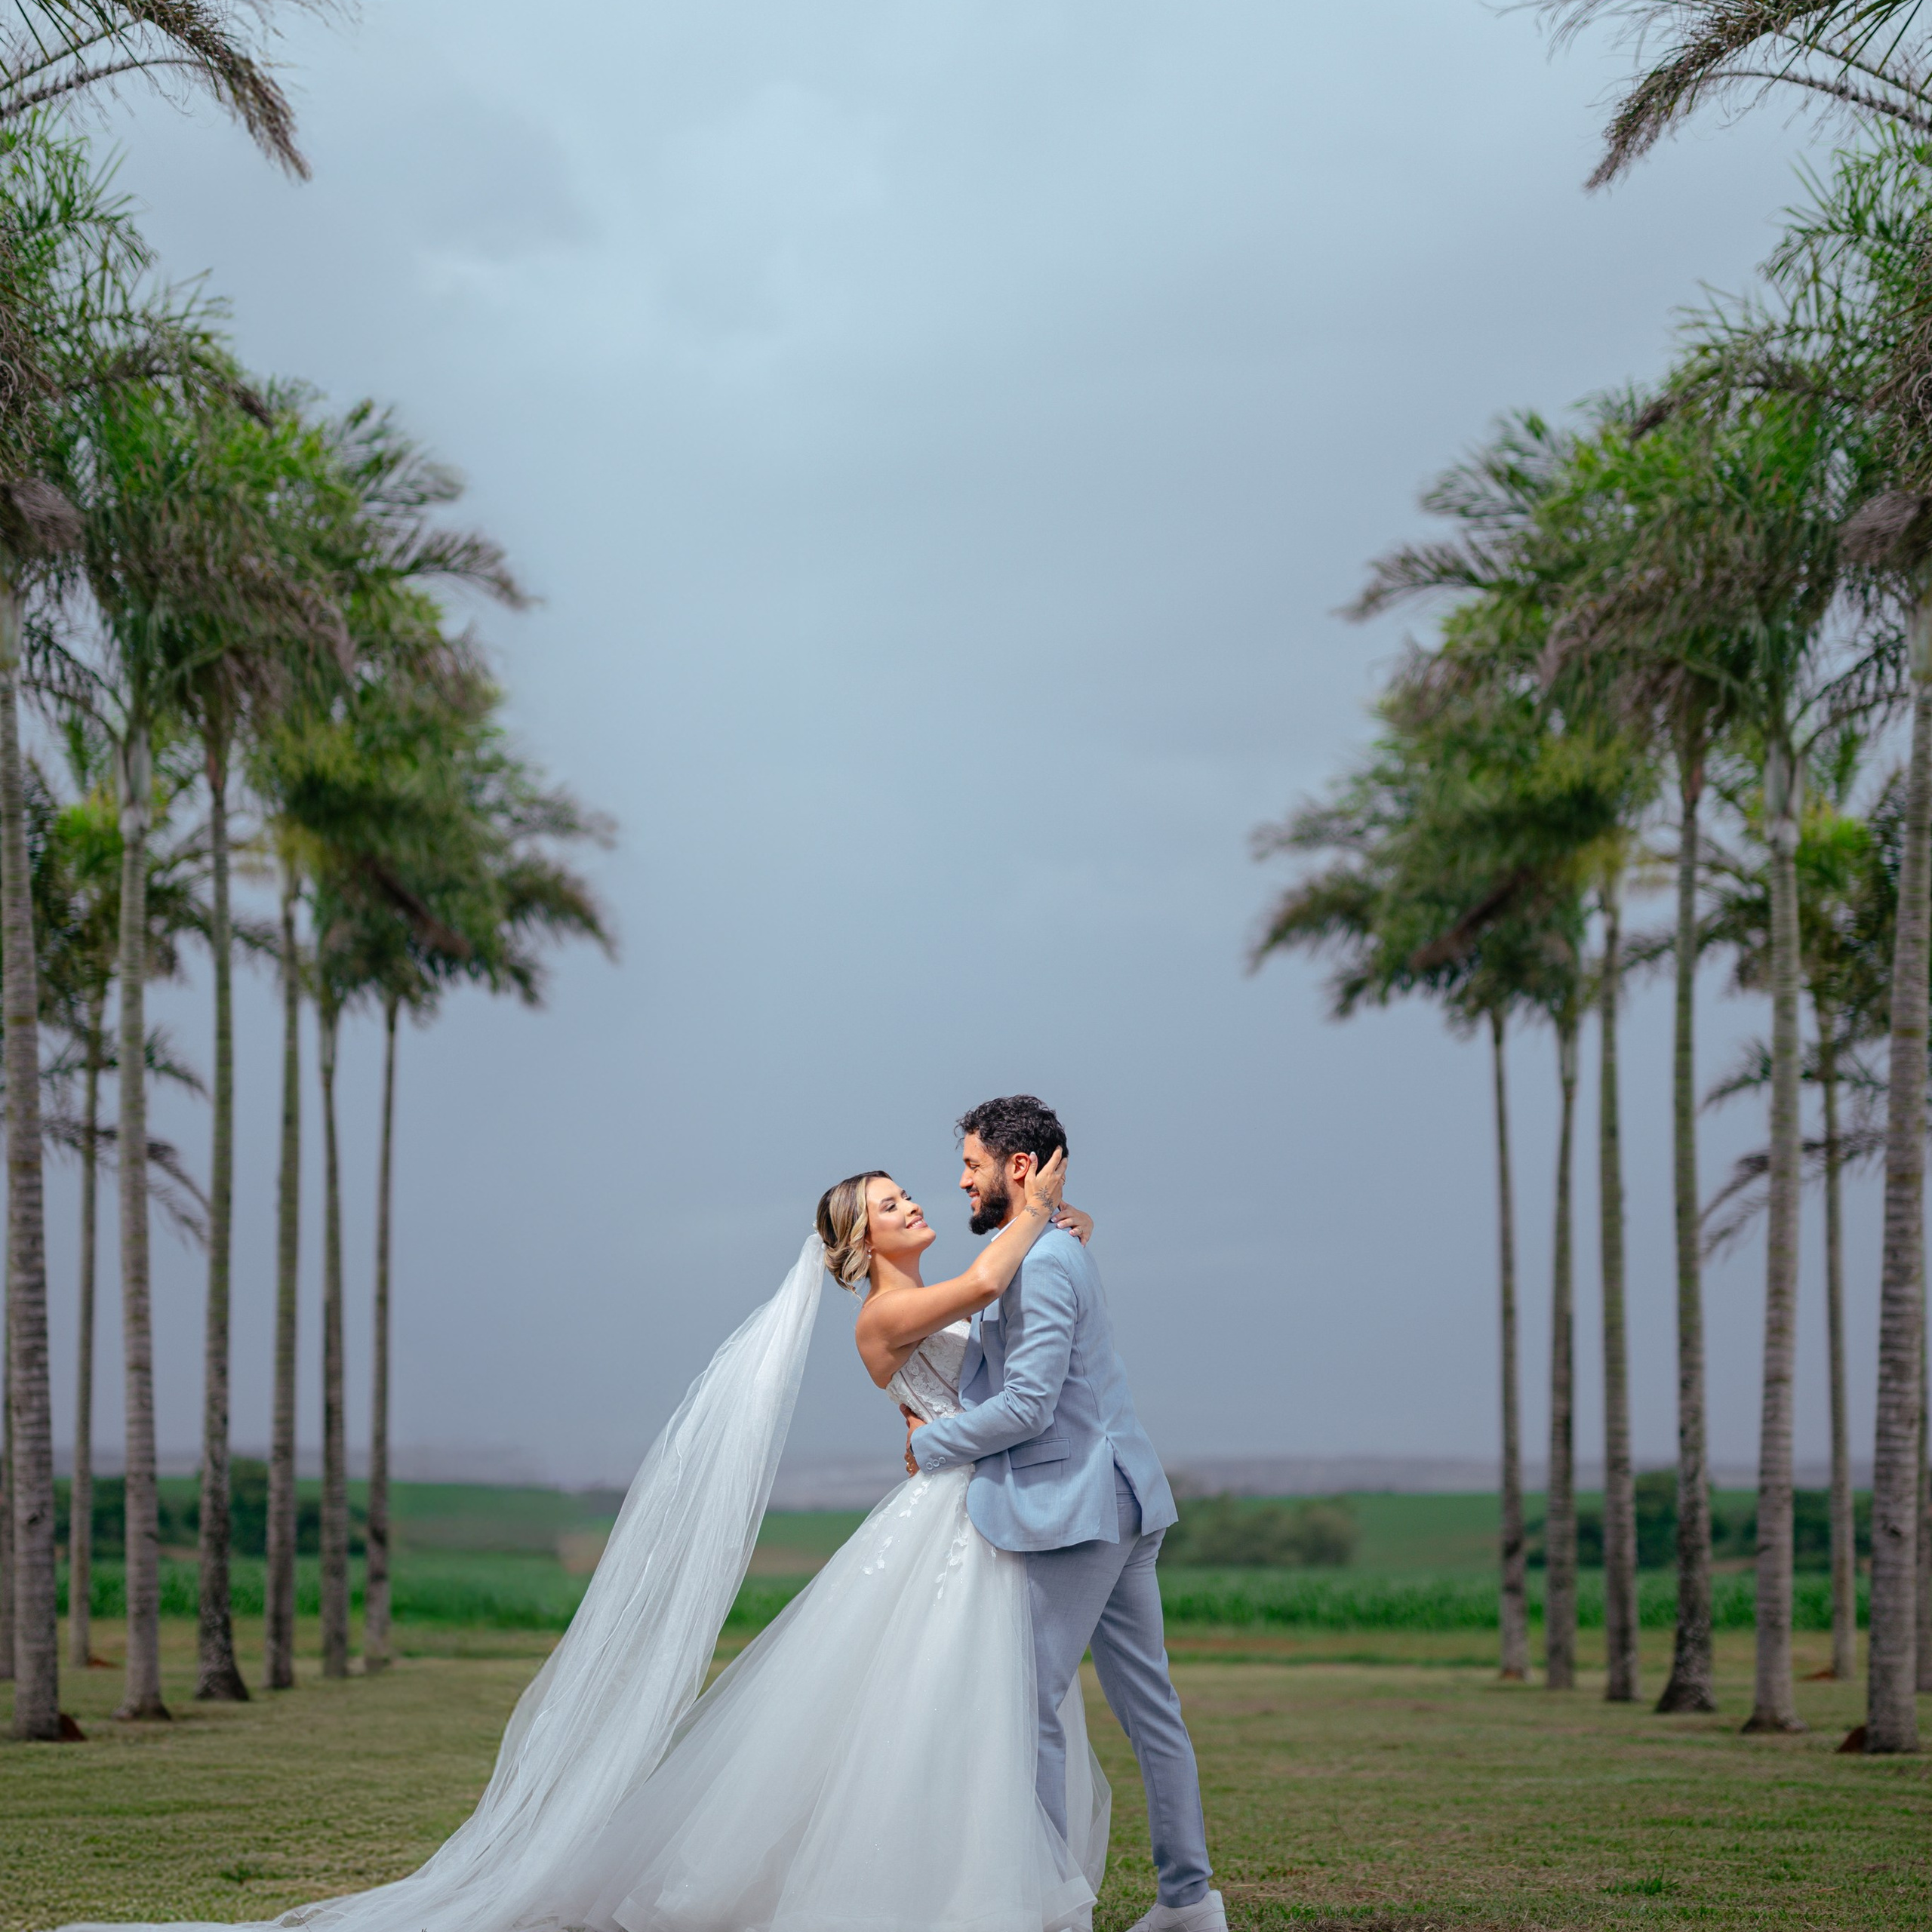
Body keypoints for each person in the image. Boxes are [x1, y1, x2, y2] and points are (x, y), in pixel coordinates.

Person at [57, 1143, 1116, 1932]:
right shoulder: (883, 1318)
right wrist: (1038, 1208)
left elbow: (1003, 1315)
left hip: (973, 1506)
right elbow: (985, 1290)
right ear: (859, 1243)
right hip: (945, 1513)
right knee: (931, 1696)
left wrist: (1052, 1238)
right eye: (892, 1204)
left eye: (912, 1195)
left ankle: (966, 1875)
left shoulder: (933, 1294)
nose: (916, 1204)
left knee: (952, 1702)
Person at [906, 1095, 1226, 1932]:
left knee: (1028, 1707)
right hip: (1119, 1496)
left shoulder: (1044, 1262)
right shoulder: (1049, 1251)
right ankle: (1189, 1903)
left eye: (973, 1165)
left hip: (1075, 1509)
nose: (961, 1181)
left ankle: (1052, 1912)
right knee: (1150, 1708)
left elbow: (1029, 1407)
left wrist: (932, 1446)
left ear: (1018, 1169)